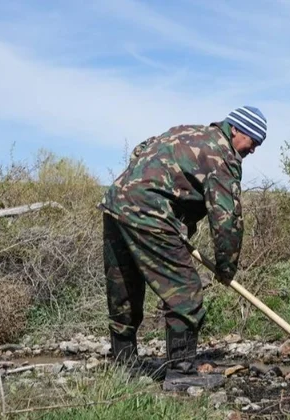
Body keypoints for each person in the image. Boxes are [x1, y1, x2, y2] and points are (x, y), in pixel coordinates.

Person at [97, 106, 267, 381]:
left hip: (116, 202)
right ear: (235, 129)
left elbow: (141, 150)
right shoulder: (222, 157)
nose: (254, 150)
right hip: (149, 214)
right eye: (253, 141)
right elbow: (226, 221)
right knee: (185, 290)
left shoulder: (187, 132)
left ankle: (124, 364)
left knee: (124, 286)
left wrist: (173, 213)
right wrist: (226, 268)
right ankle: (181, 372)